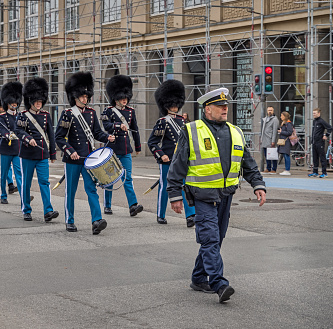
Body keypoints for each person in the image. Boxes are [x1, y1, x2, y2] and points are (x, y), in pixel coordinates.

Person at [167, 87, 266, 303]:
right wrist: (174, 194)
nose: (225, 109)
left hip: (225, 195)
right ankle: (219, 283)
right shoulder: (191, 130)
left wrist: (258, 184)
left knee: (216, 239)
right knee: (210, 238)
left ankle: (198, 277)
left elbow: (247, 163)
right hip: (202, 196)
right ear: (207, 109)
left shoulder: (235, 131)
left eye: (226, 106)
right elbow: (177, 165)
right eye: (220, 106)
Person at [55, 71, 115, 235]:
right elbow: (59, 138)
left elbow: (97, 133)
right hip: (73, 158)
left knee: (91, 189)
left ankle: (96, 220)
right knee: (71, 191)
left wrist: (107, 136)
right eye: (81, 95)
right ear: (75, 96)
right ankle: (70, 220)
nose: (85, 98)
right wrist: (70, 151)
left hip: (88, 159)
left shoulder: (91, 113)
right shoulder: (68, 114)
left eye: (86, 95)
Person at [147, 79, 196, 227]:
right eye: (172, 104)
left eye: (176, 104)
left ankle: (190, 216)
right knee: (164, 188)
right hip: (167, 160)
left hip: (181, 160)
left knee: (185, 186)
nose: (175, 107)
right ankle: (160, 214)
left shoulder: (183, 122)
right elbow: (152, 142)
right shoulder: (163, 122)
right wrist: (161, 155)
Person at [16, 77, 59, 222]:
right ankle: (26, 209)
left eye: (40, 101)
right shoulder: (23, 116)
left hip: (42, 154)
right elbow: (18, 131)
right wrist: (28, 138)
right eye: (36, 101)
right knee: (26, 183)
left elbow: (51, 136)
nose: (39, 103)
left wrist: (52, 153)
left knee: (44, 182)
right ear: (31, 101)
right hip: (28, 154)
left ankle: (48, 210)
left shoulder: (46, 116)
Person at [101, 74, 144, 217]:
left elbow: (135, 130)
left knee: (128, 178)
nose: (124, 99)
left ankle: (133, 205)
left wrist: (138, 147)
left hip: (125, 149)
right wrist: (118, 125)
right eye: (121, 97)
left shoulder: (130, 111)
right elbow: (106, 126)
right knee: (110, 178)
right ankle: (107, 205)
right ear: (115, 97)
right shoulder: (108, 111)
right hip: (112, 149)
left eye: (126, 96)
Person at [0, 82, 24, 204]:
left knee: (19, 173)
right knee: (4, 174)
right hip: (6, 148)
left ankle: (23, 195)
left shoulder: (20, 116)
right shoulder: (2, 117)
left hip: (17, 148)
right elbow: (1, 130)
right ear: (7, 103)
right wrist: (8, 135)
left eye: (16, 103)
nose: (14, 105)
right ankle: (3, 194)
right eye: (12, 103)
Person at [309, 108, 332, 178]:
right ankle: (315, 172)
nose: (314, 114)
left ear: (319, 113)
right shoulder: (314, 121)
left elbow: (330, 128)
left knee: (322, 157)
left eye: (315, 113)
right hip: (314, 142)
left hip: (320, 142)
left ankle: (324, 173)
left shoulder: (321, 121)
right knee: (315, 157)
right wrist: (311, 140)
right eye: (313, 113)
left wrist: (326, 135)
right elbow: (313, 132)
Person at [261, 106, 280, 174]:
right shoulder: (265, 118)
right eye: (269, 110)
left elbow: (275, 131)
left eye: (271, 110)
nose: (269, 111)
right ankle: (268, 168)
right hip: (265, 139)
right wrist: (261, 139)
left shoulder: (275, 119)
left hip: (270, 139)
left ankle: (274, 169)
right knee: (267, 154)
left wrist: (273, 141)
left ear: (273, 111)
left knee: (273, 154)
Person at [277, 111, 293, 176]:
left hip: (286, 141)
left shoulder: (288, 124)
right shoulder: (284, 123)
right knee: (284, 155)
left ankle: (287, 169)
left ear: (285, 116)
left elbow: (289, 132)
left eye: (282, 115)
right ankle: (286, 169)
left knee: (286, 155)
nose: (281, 117)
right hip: (283, 141)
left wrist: (281, 132)